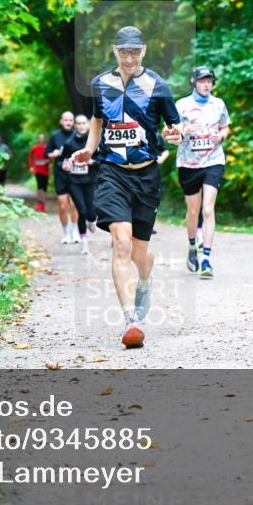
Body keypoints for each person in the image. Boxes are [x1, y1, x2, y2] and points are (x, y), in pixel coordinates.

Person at [71, 26, 183, 349]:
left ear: (144, 51)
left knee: (139, 252)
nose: (129, 58)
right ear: (114, 51)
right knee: (120, 243)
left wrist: (176, 135)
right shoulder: (99, 85)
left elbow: (174, 127)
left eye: (135, 52)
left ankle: (145, 279)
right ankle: (129, 320)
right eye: (124, 52)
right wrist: (89, 150)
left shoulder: (158, 87)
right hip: (112, 174)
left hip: (146, 176)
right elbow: (97, 121)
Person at [174, 66, 230, 278]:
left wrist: (221, 137)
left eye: (210, 81)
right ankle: (191, 246)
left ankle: (206, 259)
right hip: (188, 164)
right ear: (194, 82)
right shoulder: (182, 105)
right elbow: (170, 133)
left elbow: (225, 127)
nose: (207, 84)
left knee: (208, 209)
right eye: (203, 80)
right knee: (193, 211)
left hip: (213, 160)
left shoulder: (219, 104)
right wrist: (183, 130)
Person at [61, 115, 98, 254]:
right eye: (79, 124)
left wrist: (92, 162)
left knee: (91, 211)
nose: (81, 126)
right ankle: (84, 242)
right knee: (81, 211)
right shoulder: (69, 143)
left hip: (90, 181)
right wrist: (66, 165)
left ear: (88, 125)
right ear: (75, 126)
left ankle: (92, 220)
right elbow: (62, 161)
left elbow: (102, 161)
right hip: (74, 182)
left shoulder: (94, 143)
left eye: (84, 123)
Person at [46, 112, 79, 243]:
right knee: (63, 205)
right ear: (61, 121)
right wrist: (53, 154)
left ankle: (75, 231)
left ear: (73, 122)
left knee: (74, 204)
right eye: (66, 120)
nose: (68, 122)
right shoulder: (55, 136)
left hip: (75, 173)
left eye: (71, 120)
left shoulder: (78, 135)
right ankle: (66, 233)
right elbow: (47, 153)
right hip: (60, 173)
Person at [28, 133, 50, 212]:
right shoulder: (34, 148)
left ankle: (43, 204)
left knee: (44, 188)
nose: (41, 139)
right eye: (40, 138)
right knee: (40, 187)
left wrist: (49, 161)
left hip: (45, 170)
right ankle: (39, 204)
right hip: (37, 170)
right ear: (38, 139)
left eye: (42, 138)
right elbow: (30, 157)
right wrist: (31, 166)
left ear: (44, 139)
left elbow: (51, 157)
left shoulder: (47, 147)